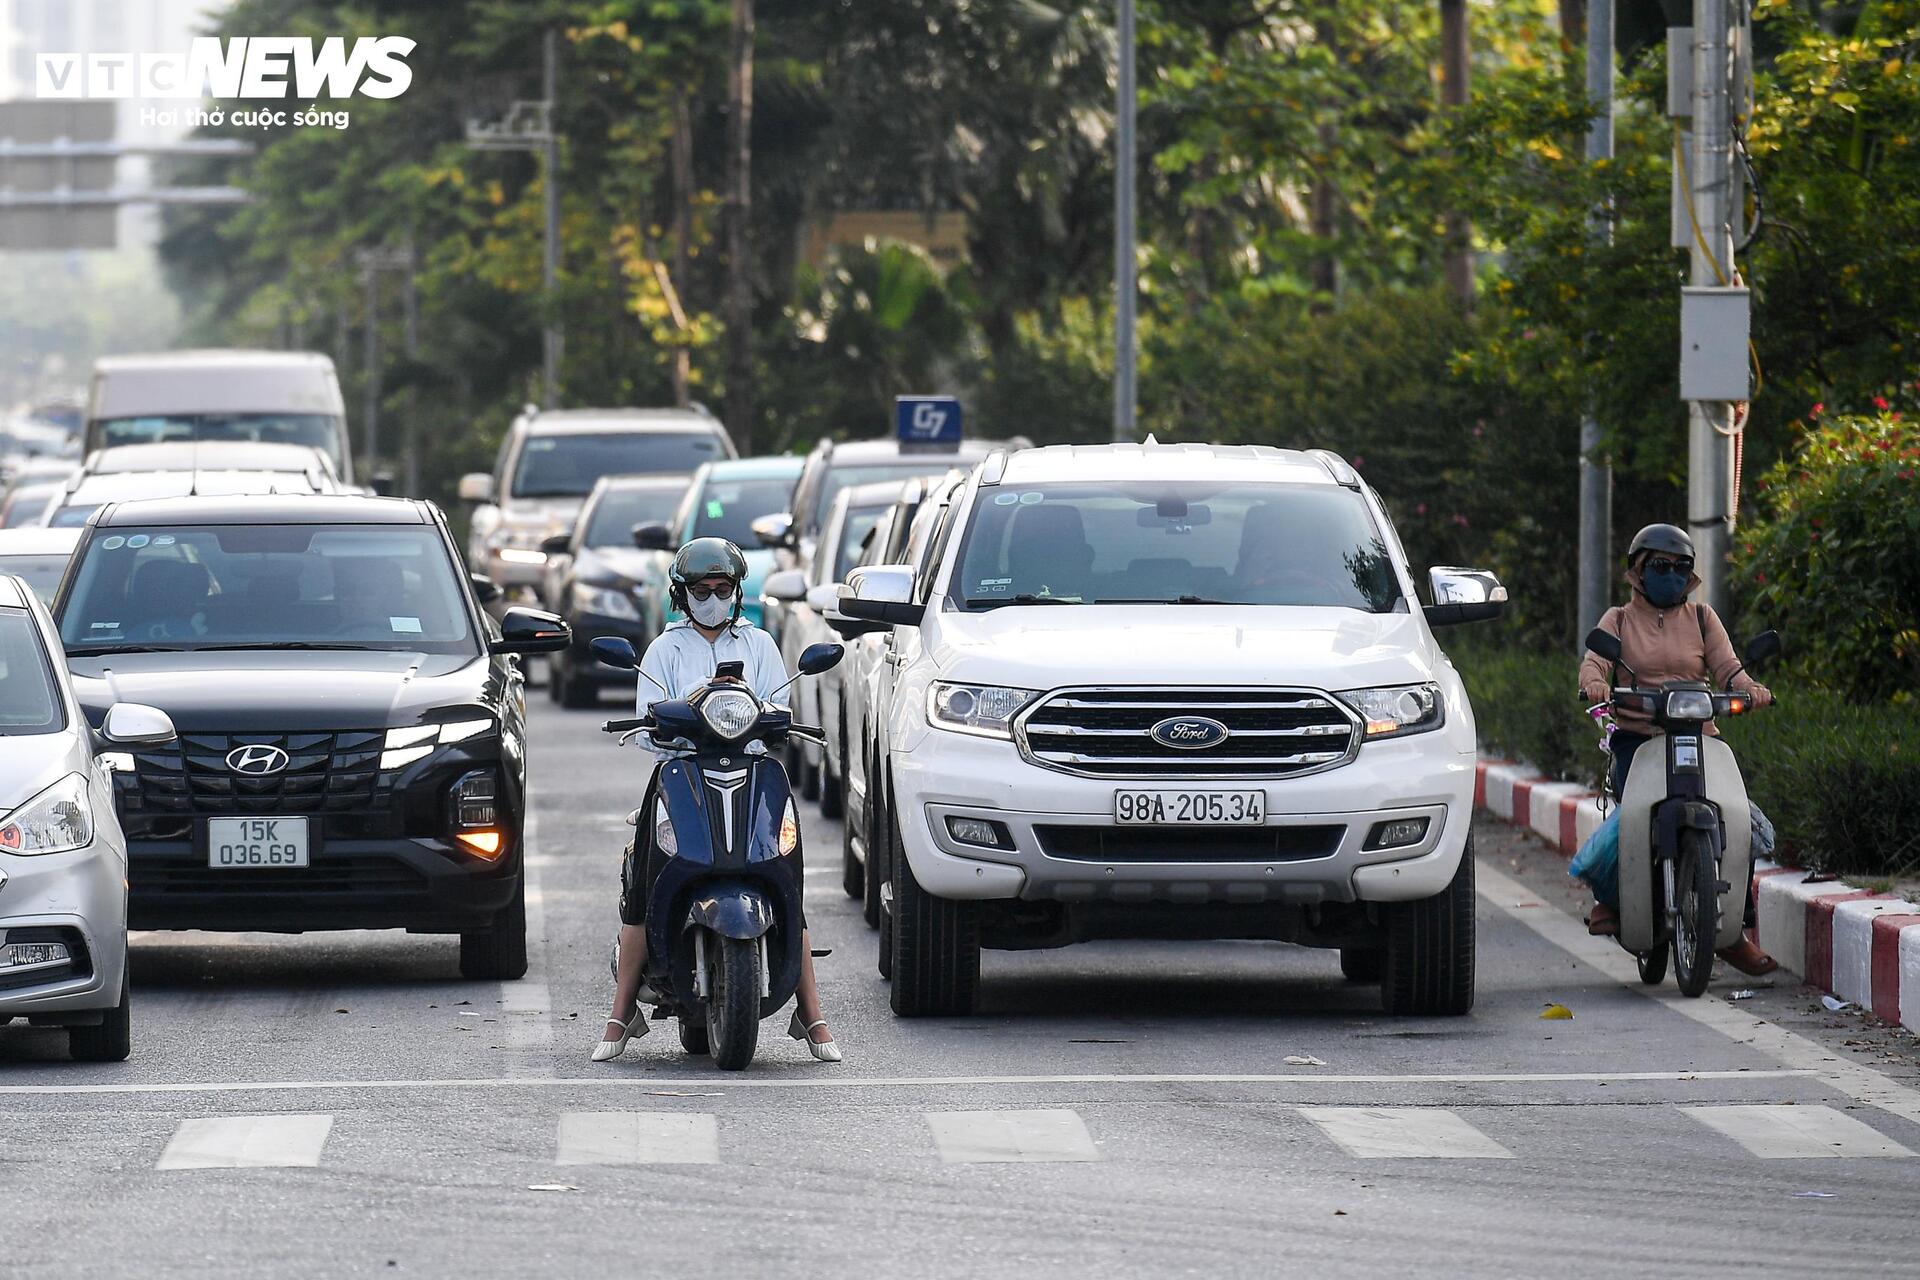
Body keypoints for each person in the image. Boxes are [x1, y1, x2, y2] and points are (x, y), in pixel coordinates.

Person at [593, 536, 842, 1063]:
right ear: (682, 594)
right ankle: (621, 1013)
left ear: (737, 591)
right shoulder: (664, 651)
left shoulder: (760, 645)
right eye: (702, 590)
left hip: (751, 771)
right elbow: (647, 724)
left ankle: (811, 1014)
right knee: (645, 881)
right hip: (682, 772)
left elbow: (778, 709)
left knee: (785, 876)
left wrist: (769, 720)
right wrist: (671, 722)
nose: (713, 599)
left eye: (722, 588)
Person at [1577, 522, 1777, 975]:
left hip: (1699, 736)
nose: (1671, 574)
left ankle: (1733, 930)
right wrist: (1594, 683)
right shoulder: (1619, 620)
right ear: (1638, 570)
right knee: (1631, 816)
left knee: (1740, 820)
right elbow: (1595, 662)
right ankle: (1612, 899)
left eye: (1680, 567)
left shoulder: (1703, 618)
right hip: (1640, 738)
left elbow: (1729, 670)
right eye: (1660, 566)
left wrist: (1750, 688)